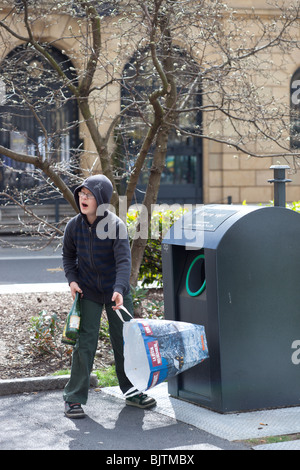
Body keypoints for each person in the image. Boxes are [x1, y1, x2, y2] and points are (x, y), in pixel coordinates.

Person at [62, 174, 156, 418]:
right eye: (81, 193)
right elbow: (68, 257)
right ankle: (74, 398)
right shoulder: (74, 226)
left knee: (125, 343)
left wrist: (119, 289)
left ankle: (132, 390)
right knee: (85, 344)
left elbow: (124, 261)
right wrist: (72, 280)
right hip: (89, 291)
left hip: (117, 292)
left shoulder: (115, 226)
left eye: (89, 194)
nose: (83, 198)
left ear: (101, 199)